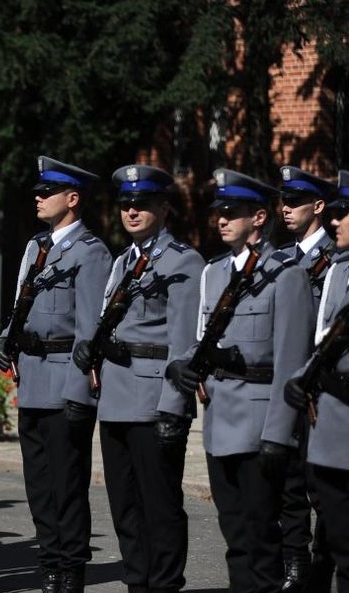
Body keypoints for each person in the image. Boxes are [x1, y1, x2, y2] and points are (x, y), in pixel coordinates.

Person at [166, 169, 313, 593]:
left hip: (260, 424)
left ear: (260, 218)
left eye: (233, 212)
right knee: (234, 538)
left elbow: (291, 364)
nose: (222, 220)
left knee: (262, 540)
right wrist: (181, 366)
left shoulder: (286, 275)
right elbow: (197, 342)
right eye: (220, 213)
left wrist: (278, 434)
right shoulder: (212, 274)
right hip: (219, 425)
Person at [72, 165, 204, 593]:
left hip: (153, 400)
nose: (131, 211)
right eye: (126, 204)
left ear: (164, 208)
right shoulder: (122, 261)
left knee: (160, 505)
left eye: (142, 204)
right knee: (125, 506)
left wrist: (175, 407)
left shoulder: (183, 261)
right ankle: (137, 582)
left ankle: (163, 585)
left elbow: (184, 348)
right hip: (117, 399)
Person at [0, 156, 111, 593]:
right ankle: (49, 559)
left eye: (48, 192)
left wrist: (81, 393)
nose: (39, 198)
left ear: (73, 199)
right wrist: (7, 337)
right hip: (34, 380)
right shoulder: (35, 247)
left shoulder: (91, 252)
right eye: (39, 192)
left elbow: (89, 329)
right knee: (39, 483)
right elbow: (21, 306)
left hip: (65, 380)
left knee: (67, 482)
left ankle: (71, 566)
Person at [284, 169, 349, 593]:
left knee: (324, 492)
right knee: (292, 482)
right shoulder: (280, 258)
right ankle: (298, 559)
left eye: (296, 200)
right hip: (301, 384)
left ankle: (319, 563)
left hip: (327, 393)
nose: (285, 208)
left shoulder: (335, 261)